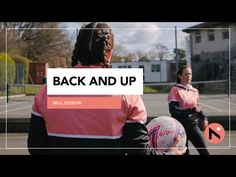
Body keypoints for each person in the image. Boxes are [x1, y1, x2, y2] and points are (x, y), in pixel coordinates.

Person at [28, 22, 186, 155]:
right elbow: (139, 151)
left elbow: (35, 147)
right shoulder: (127, 93)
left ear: (78, 48)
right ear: (109, 54)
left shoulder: (47, 90)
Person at [168, 65, 210, 155]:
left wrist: (204, 118)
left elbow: (196, 108)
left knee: (205, 152)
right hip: (180, 129)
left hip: (193, 126)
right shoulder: (175, 90)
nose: (188, 76)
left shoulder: (194, 91)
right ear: (180, 76)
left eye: (190, 74)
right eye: (186, 74)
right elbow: (173, 110)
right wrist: (191, 111)